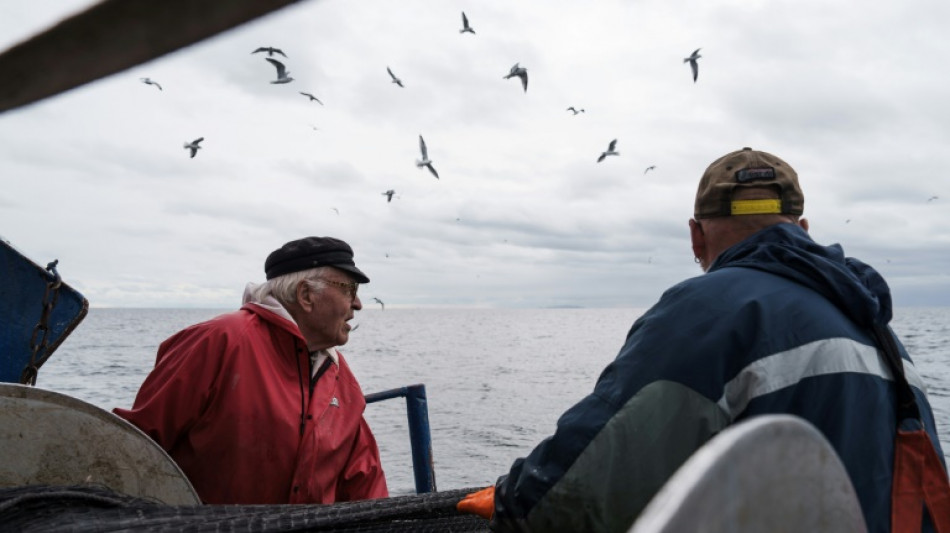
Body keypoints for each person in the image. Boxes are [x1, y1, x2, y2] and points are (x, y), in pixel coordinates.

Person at [458, 148, 949, 532]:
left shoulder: (712, 310)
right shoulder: (876, 329)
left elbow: (582, 492)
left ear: (696, 237)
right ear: (803, 229)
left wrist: (515, 500)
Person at [114, 236, 388, 505]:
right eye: (349, 289)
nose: (358, 304)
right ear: (306, 295)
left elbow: (364, 481)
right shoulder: (219, 342)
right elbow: (131, 449)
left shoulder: (339, 376)